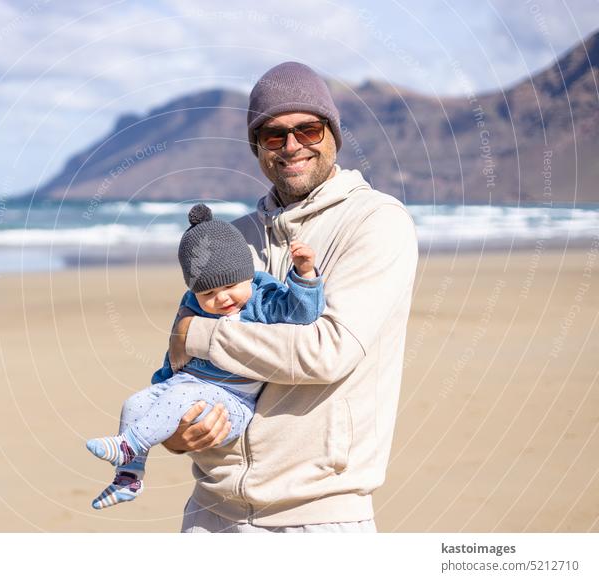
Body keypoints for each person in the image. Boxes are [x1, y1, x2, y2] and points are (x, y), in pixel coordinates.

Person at [164, 62, 419, 532]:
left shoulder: (377, 222)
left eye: (309, 129)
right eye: (274, 135)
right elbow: (181, 363)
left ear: (333, 135)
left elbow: (327, 352)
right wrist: (177, 434)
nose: (292, 146)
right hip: (210, 514)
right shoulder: (231, 238)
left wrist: (198, 333)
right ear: (257, 146)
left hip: (317, 517)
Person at [86, 203, 325, 509]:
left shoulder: (262, 300)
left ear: (247, 276)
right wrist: (160, 386)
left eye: (229, 286)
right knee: (135, 403)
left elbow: (301, 314)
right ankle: (128, 478)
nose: (221, 298)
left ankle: (129, 445)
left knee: (184, 395)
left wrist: (304, 273)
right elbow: (175, 357)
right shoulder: (192, 310)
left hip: (233, 404)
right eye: (207, 294)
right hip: (188, 390)